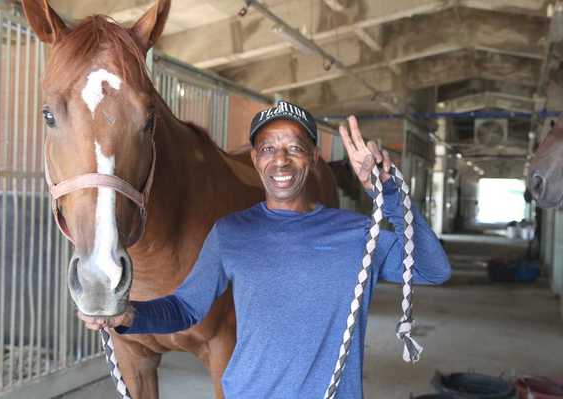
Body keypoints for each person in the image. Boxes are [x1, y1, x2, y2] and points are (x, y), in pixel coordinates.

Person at [79, 101, 452, 398]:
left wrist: (386, 192)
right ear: (256, 160)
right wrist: (126, 316)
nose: (281, 160)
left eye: (294, 148)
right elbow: (185, 306)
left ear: (313, 158)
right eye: (269, 148)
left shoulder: (356, 235)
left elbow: (432, 269)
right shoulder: (231, 233)